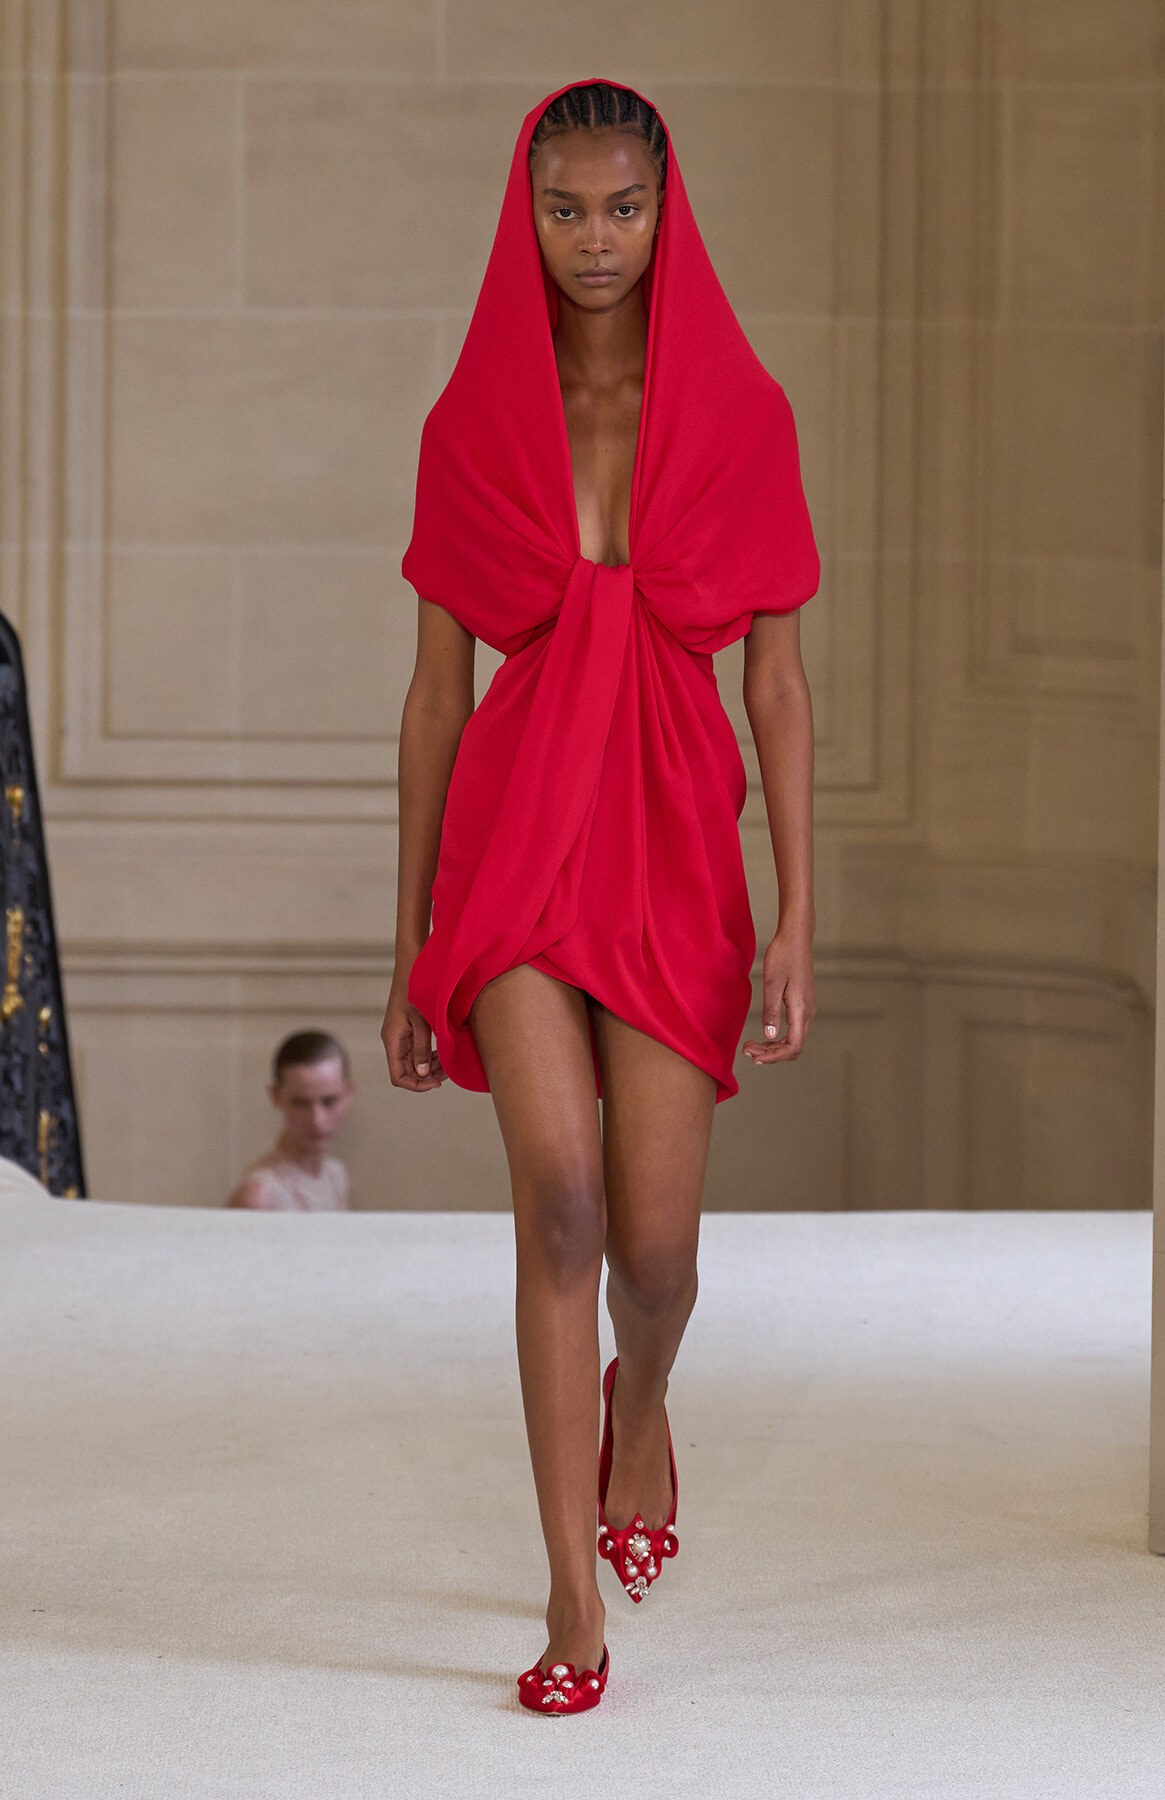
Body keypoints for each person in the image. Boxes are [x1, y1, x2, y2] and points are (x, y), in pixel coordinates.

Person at [382, 81, 819, 1714]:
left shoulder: (743, 415)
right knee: (557, 1206)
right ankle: (573, 1598)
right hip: (513, 849)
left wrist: (798, 915)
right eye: (564, 208)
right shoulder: (471, 427)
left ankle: (645, 1408)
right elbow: (434, 699)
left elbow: (779, 687)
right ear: (526, 209)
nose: (592, 240)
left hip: (676, 851)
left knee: (656, 1252)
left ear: (665, 208)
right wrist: (409, 938)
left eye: (621, 207)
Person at [227, 1030, 354, 1212]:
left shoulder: (336, 1175)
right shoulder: (260, 1195)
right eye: (301, 1103)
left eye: (329, 1101)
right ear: (276, 1096)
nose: (316, 1120)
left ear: (348, 1094)